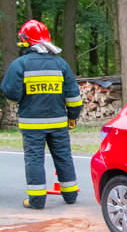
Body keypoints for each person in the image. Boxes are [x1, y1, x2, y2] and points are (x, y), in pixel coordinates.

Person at [1, 19, 82, 209]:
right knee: (63, 156)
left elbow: (11, 93)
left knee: (34, 159)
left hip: (32, 124)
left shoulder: (19, 65)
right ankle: (70, 195)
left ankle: (37, 201)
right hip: (59, 122)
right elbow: (74, 97)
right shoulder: (61, 65)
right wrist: (72, 117)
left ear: (25, 41)